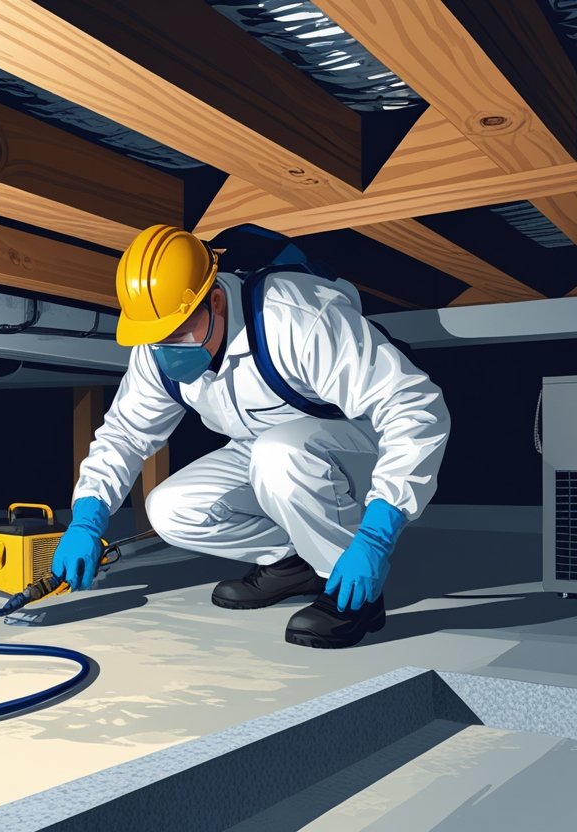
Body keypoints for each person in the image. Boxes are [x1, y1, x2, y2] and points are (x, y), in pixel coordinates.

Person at [52, 224, 450, 648]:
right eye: (155, 338)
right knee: (170, 509)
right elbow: (125, 434)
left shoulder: (294, 317)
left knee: (279, 455)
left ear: (217, 301)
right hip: (266, 449)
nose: (166, 349)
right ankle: (294, 565)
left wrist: (376, 535)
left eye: (179, 331)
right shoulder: (156, 347)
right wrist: (86, 520)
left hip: (360, 443)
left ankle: (353, 595)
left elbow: (415, 407)